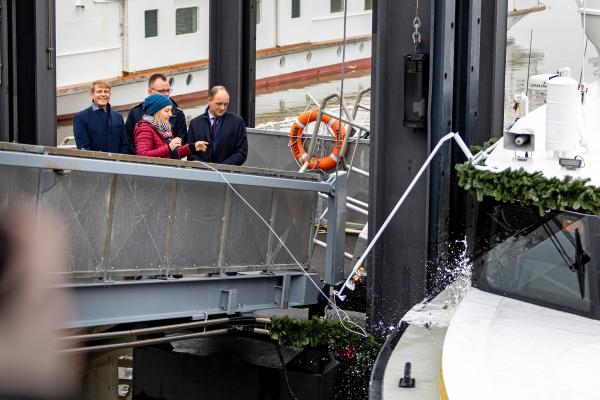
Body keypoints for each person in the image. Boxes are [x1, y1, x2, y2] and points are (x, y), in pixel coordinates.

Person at [125, 73, 187, 154]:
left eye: (168, 90)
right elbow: (128, 140)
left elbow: (182, 141)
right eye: (162, 91)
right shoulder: (135, 112)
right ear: (150, 91)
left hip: (169, 161)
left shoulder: (177, 114)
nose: (167, 94)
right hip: (141, 160)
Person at [187, 85, 248, 165]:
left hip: (227, 173)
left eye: (225, 104)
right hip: (202, 173)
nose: (222, 108)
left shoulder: (237, 122)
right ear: (209, 101)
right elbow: (190, 152)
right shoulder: (195, 123)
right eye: (219, 104)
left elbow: (241, 153)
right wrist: (205, 167)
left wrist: (222, 168)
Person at [134, 94, 208, 159]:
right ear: (156, 111)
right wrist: (169, 147)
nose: (171, 114)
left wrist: (192, 147)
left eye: (170, 110)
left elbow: (174, 153)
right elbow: (143, 155)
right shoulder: (144, 129)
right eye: (167, 111)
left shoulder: (165, 129)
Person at [73, 80, 130, 154]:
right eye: (99, 91)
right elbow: (83, 148)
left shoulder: (118, 117)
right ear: (92, 95)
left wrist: (120, 161)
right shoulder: (81, 118)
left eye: (106, 91)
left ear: (110, 94)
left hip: (117, 164)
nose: (103, 94)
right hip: (94, 164)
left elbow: (124, 145)